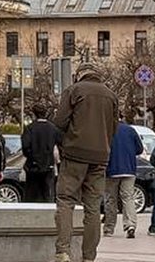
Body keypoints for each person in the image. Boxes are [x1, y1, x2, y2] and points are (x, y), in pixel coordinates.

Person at [52, 62, 119, 262]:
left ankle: (63, 251)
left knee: (65, 200)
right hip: (100, 157)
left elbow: (59, 122)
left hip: (74, 154)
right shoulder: (111, 95)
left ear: (79, 75)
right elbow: (113, 128)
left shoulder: (73, 90)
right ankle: (89, 256)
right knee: (93, 207)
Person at [104, 112, 144, 238]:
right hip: (129, 169)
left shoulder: (107, 130)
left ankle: (109, 228)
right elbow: (140, 149)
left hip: (112, 169)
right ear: (123, 117)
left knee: (111, 199)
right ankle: (130, 225)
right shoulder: (131, 130)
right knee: (128, 198)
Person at [22, 102, 62, 203]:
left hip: (33, 167)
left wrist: (32, 156)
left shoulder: (30, 128)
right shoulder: (53, 129)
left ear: (34, 113)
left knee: (32, 196)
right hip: (48, 165)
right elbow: (60, 145)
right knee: (47, 195)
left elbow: (25, 147)